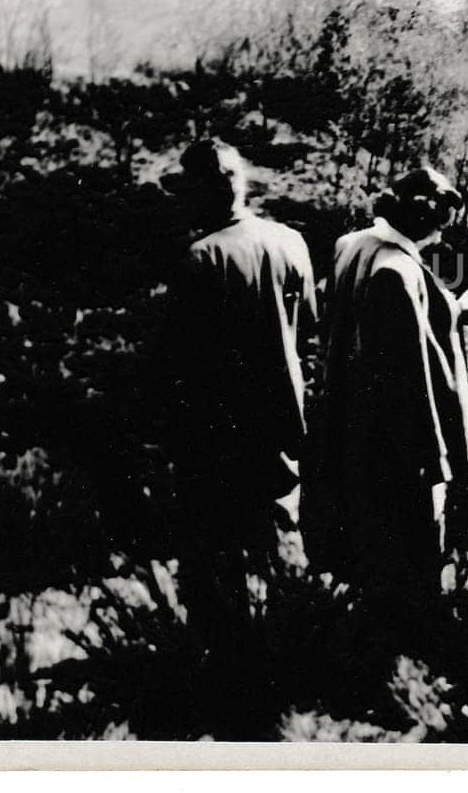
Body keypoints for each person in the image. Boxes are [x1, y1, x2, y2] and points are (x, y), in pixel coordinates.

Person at [303, 166, 468, 636]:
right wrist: (436, 459)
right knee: (411, 558)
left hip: (345, 425)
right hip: (395, 447)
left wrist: (448, 312)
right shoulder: (397, 270)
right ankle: (401, 664)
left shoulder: (352, 246)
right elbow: (410, 379)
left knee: (362, 555)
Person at [164, 139, 316, 649]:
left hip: (217, 438)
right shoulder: (291, 242)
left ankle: (226, 667)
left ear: (204, 189)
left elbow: (179, 369)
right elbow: (309, 331)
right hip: (284, 428)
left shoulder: (197, 260)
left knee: (216, 561)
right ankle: (290, 651)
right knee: (278, 547)